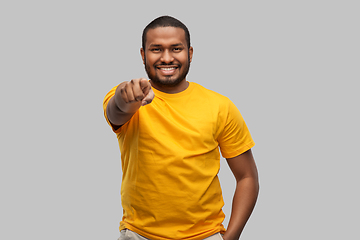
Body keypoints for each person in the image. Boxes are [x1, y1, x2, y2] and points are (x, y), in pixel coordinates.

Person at [103, 15, 259, 240]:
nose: (167, 58)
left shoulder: (220, 106)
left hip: (205, 235)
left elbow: (247, 177)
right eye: (156, 49)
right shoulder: (131, 98)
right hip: (138, 235)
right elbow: (116, 110)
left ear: (190, 53)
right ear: (143, 54)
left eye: (176, 48)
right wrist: (125, 95)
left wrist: (231, 237)